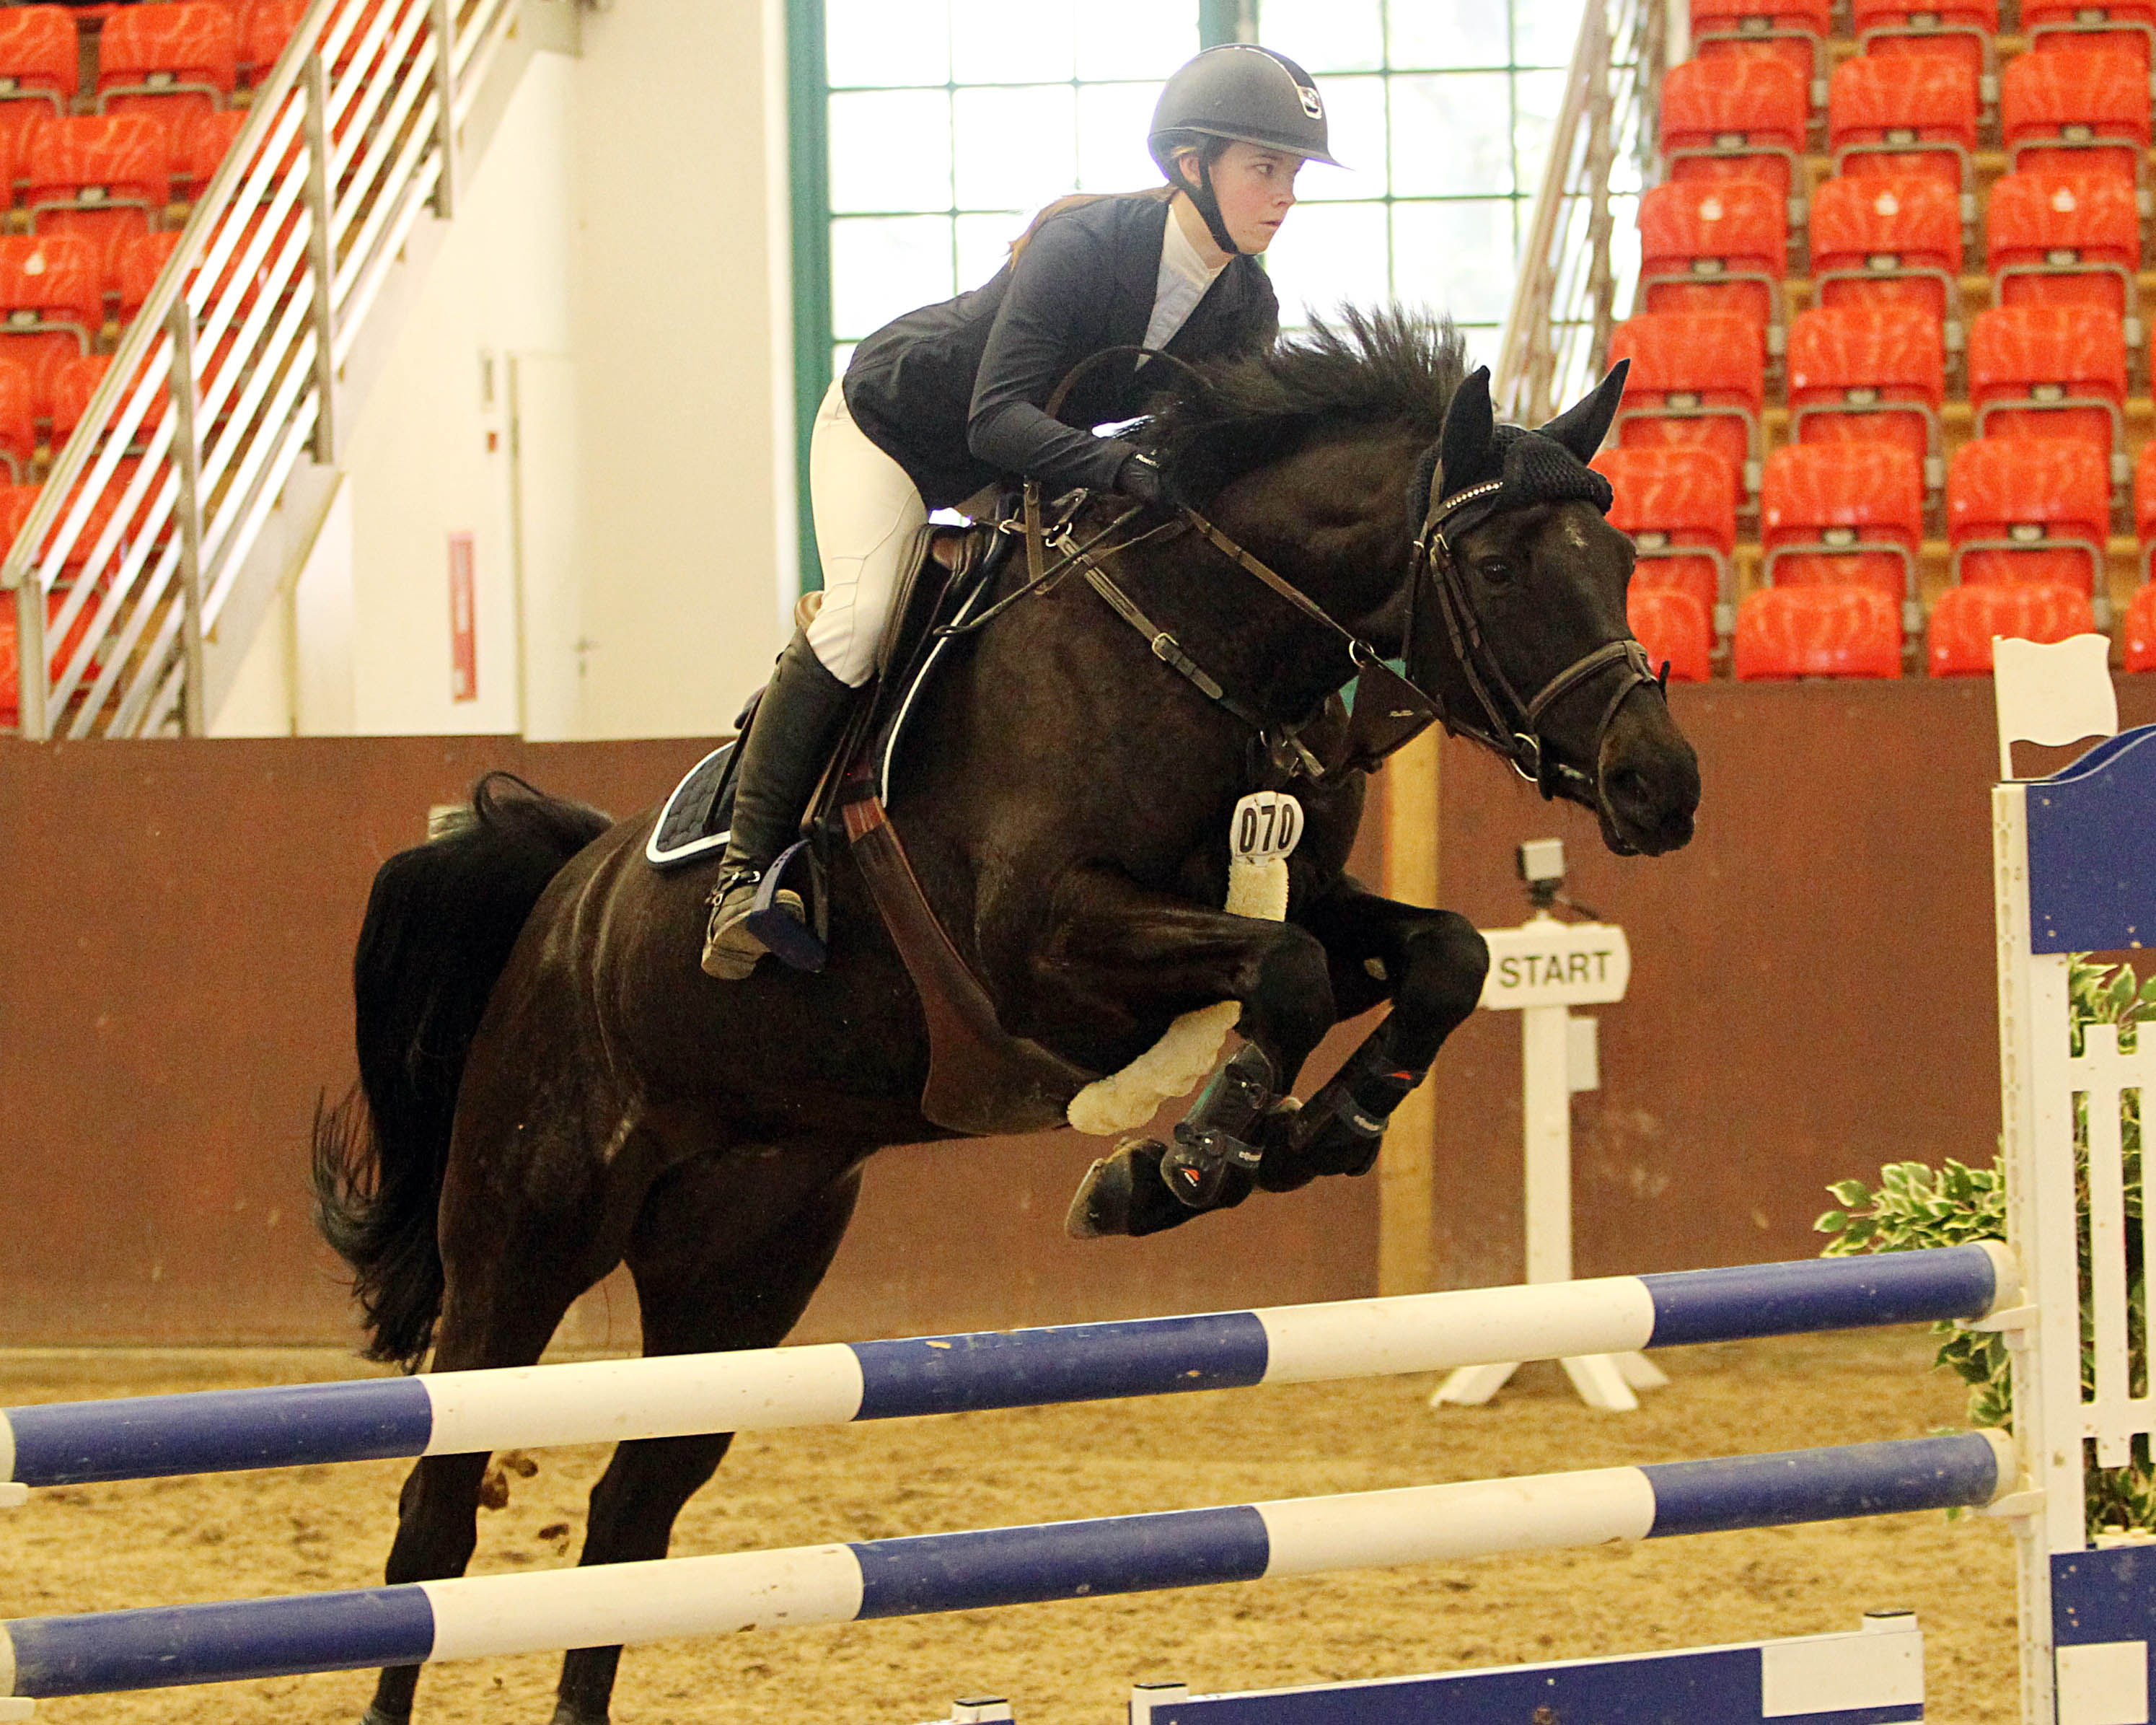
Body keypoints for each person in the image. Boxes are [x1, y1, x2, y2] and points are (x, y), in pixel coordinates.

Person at [703, 43, 1337, 980]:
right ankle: (745, 869)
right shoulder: (1086, 248)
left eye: (1289, 173)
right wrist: (1126, 472)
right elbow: (994, 420)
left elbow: (1203, 447)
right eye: (1263, 168)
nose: (1282, 195)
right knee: (864, 617)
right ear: (1192, 165)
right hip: (899, 430)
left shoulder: (1245, 299)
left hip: (1023, 459)